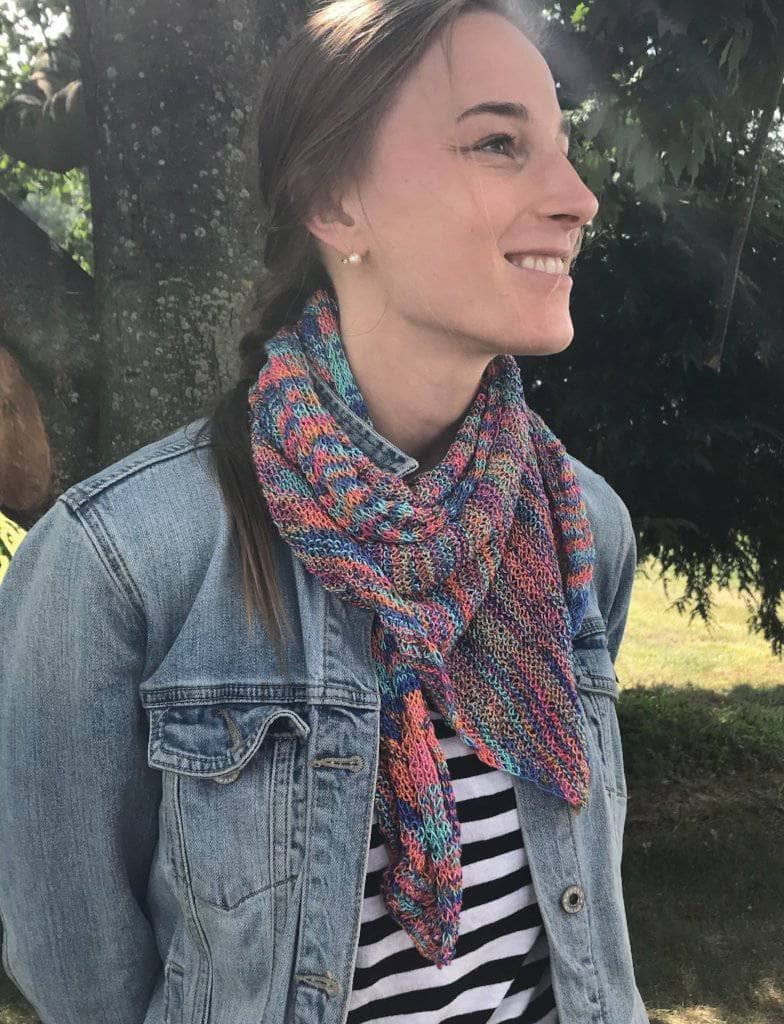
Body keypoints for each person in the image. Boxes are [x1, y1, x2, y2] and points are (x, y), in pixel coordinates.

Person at [0, 1, 646, 1022]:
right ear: (334, 202)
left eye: (562, 149)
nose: (577, 199)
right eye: (498, 143)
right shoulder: (118, 566)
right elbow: (80, 977)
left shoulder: (581, 529)